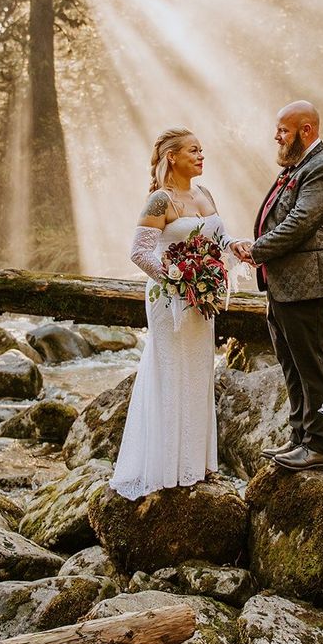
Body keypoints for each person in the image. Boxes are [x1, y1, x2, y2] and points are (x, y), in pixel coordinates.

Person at [109, 128, 250, 499]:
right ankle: (165, 467)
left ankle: (194, 465)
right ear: (172, 156)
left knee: (199, 371)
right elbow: (140, 253)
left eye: (202, 149)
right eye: (193, 150)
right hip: (168, 299)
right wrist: (176, 281)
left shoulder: (205, 194)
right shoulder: (160, 200)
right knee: (171, 372)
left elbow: (218, 241)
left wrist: (236, 248)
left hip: (200, 302)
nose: (201, 155)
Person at [244, 100, 323, 472]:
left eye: (283, 130)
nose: (276, 136)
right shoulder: (298, 164)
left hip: (308, 285)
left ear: (307, 130)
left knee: (311, 366)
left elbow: (300, 223)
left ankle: (318, 446)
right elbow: (279, 217)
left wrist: (255, 250)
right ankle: (298, 437)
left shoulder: (322, 168)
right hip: (284, 283)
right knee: (290, 364)